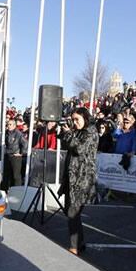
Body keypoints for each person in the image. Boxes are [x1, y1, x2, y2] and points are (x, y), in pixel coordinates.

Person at [57, 107, 99, 256]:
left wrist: (69, 134)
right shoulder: (77, 132)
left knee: (72, 212)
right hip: (71, 177)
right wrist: (64, 132)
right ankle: (79, 243)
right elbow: (65, 144)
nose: (75, 123)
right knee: (70, 210)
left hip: (83, 178)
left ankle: (74, 247)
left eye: (77, 119)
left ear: (85, 118)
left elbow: (80, 149)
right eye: (73, 119)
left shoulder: (91, 132)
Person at [1, 118, 27, 189]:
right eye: (7, 124)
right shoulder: (6, 133)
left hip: (15, 157)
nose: (8, 126)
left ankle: (17, 190)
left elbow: (25, 144)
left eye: (10, 124)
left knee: (16, 176)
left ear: (14, 125)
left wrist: (21, 153)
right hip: (7, 155)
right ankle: (5, 190)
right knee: (6, 175)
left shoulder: (18, 134)